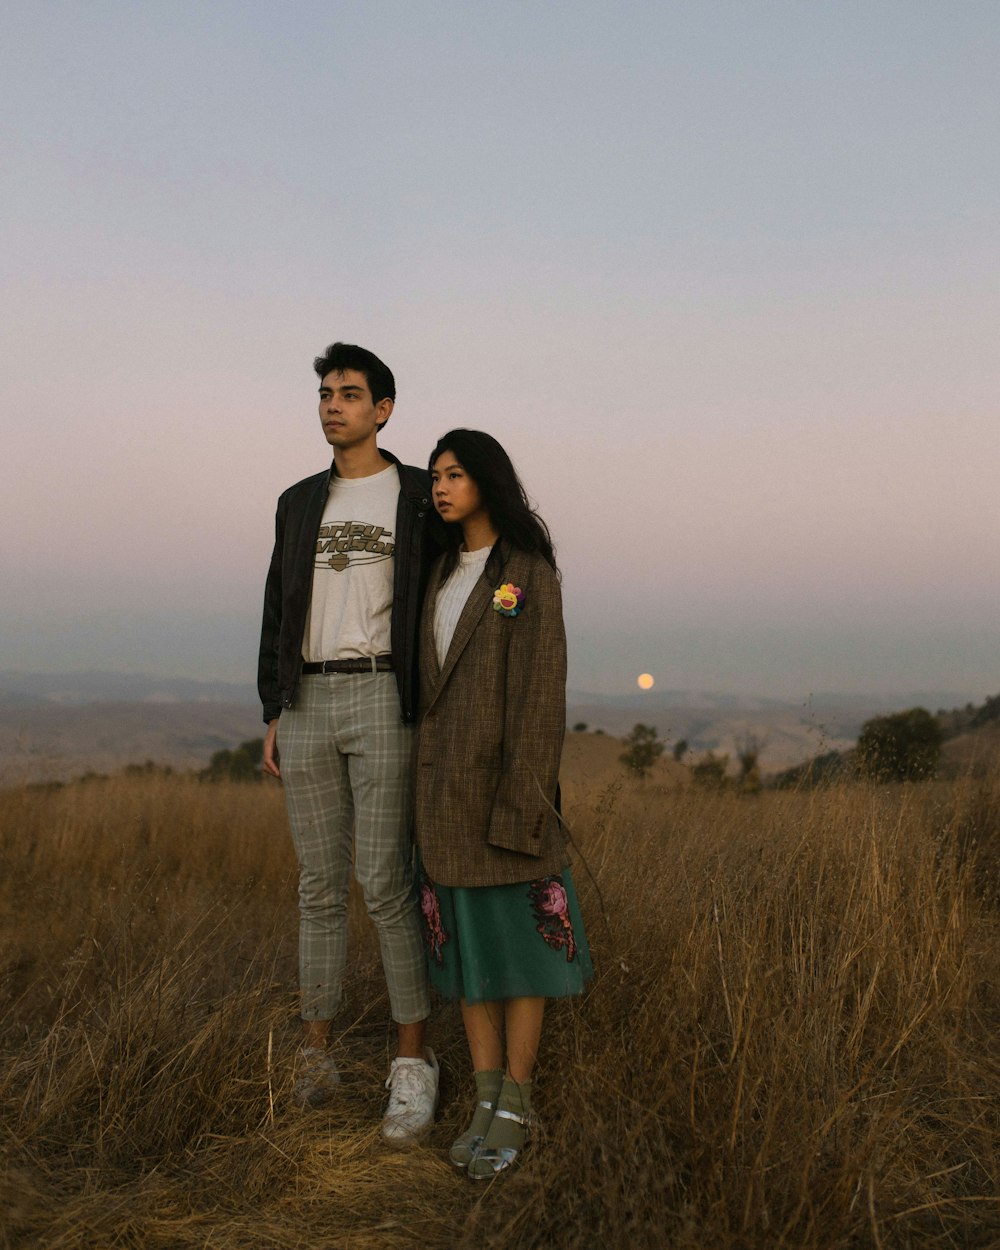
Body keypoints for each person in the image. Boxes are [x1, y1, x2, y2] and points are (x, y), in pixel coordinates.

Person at [258, 341, 440, 1141]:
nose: (333, 404)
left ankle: (412, 1062)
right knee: (318, 887)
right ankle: (316, 1052)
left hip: (382, 693)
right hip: (306, 699)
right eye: (326, 393)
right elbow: (277, 604)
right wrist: (274, 706)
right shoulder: (298, 502)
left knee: (388, 881)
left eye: (351, 393)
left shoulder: (416, 499)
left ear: (384, 410)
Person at [414, 429, 592, 1180]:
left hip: (505, 796)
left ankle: (518, 1099)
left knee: (519, 956)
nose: (442, 487)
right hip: (440, 798)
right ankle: (485, 1097)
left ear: (488, 480)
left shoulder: (527, 571)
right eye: (435, 476)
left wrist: (523, 804)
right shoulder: (438, 571)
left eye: (456, 474)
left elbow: (541, 695)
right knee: (467, 953)